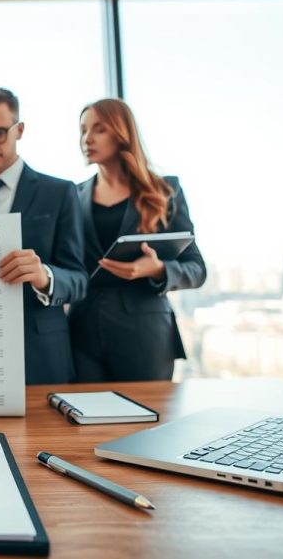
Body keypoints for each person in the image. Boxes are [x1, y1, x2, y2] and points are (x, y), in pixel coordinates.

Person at [0, 87, 87, 384]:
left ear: (19, 130)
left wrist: (44, 275)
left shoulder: (59, 192)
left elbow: (78, 279)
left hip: (39, 354)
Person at [70, 98, 206, 382]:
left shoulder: (165, 190)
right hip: (81, 331)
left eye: (99, 129)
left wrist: (157, 269)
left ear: (122, 133)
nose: (87, 138)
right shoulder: (72, 195)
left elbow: (196, 269)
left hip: (144, 331)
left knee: (146, 422)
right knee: (82, 421)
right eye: (83, 130)